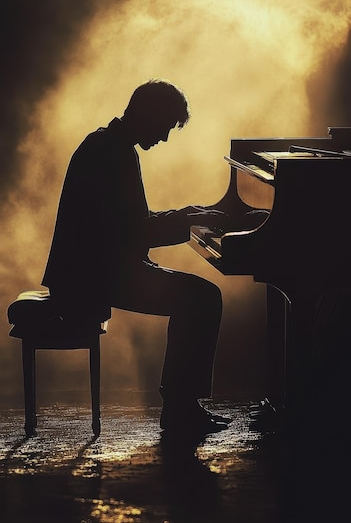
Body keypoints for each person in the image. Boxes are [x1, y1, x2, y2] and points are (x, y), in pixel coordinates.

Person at [42, 79, 232, 435]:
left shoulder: (110, 144)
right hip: (92, 278)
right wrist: (187, 223)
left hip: (96, 269)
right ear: (147, 114)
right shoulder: (110, 152)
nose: (164, 138)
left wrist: (187, 213)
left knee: (199, 296)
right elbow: (132, 232)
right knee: (203, 297)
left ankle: (181, 405)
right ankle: (180, 409)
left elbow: (129, 222)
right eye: (164, 127)